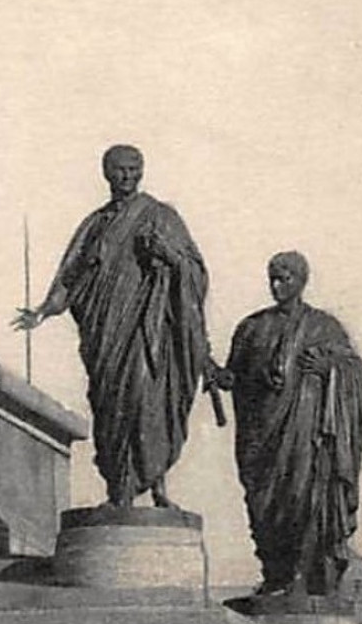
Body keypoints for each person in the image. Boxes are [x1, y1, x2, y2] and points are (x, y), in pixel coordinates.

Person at [13, 145, 212, 509]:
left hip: (145, 333)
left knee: (145, 400)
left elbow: (195, 273)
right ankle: (118, 491)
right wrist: (43, 312)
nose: (127, 176)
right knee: (112, 408)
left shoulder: (161, 216)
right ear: (107, 173)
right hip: (104, 336)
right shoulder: (95, 224)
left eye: (134, 169)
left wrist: (167, 255)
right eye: (120, 169)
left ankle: (158, 487)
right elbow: (70, 278)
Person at [209, 252, 362, 597]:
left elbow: (352, 369)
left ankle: (300, 576)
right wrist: (216, 372)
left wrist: (331, 369)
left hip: (304, 434)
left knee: (301, 498)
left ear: (301, 281)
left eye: (285, 279)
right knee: (262, 503)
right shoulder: (250, 328)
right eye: (273, 279)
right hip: (260, 435)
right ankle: (274, 573)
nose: (277, 286)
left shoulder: (324, 327)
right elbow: (231, 377)